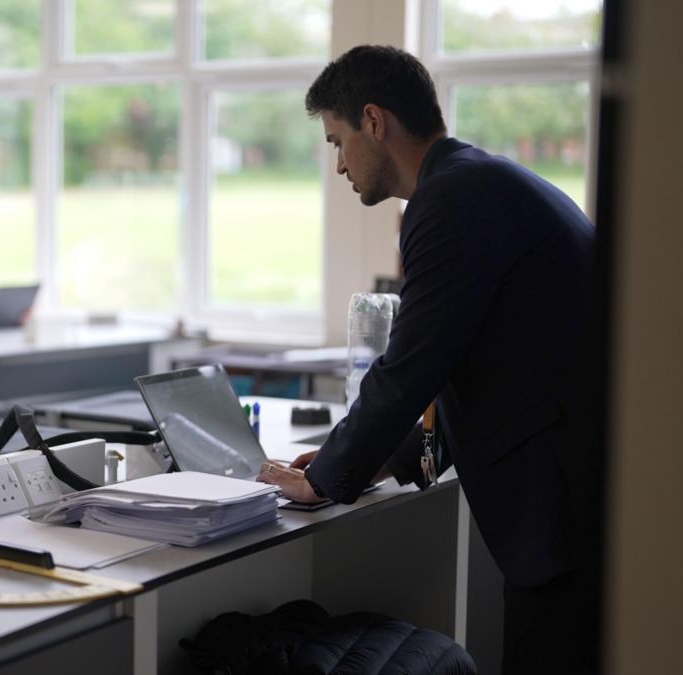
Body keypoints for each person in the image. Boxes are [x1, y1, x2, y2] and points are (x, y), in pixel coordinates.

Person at [256, 46, 601, 674]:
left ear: (374, 122)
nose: (338, 165)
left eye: (338, 141)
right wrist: (366, 458)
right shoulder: (478, 181)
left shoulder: (451, 202)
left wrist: (328, 476)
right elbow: (463, 357)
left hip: (564, 510)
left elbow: (411, 363)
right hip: (574, 494)